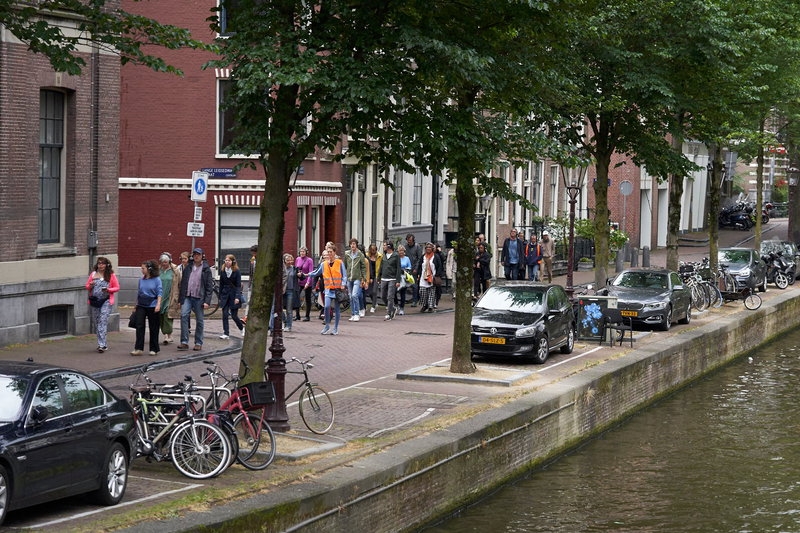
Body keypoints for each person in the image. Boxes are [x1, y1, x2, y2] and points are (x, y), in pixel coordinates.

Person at [178, 247, 214, 351]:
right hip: (187, 296)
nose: (196, 256)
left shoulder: (206, 269)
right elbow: (183, 283)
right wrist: (181, 299)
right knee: (184, 315)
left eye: (198, 254)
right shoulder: (188, 267)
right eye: (194, 254)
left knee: (199, 320)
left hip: (199, 297)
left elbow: (209, 286)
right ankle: (184, 342)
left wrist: (207, 301)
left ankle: (198, 342)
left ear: (202, 256)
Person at [308, 244, 347, 335]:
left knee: (337, 309)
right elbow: (316, 272)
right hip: (328, 289)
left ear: (334, 252)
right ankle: (327, 326)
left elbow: (344, 275)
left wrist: (343, 284)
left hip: (337, 290)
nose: (329, 254)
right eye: (328, 252)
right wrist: (306, 275)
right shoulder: (323, 264)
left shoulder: (339, 263)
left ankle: (335, 328)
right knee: (326, 306)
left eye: (330, 252)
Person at [85, 256, 120, 353]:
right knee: (97, 322)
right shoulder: (93, 274)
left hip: (106, 301)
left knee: (102, 321)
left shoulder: (111, 275)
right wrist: (90, 285)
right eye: (99, 263)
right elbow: (87, 286)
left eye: (102, 263)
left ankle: (102, 345)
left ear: (106, 265)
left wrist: (108, 290)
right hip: (95, 301)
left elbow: (117, 287)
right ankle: (101, 342)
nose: (100, 265)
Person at [132, 260, 162, 356]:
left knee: (153, 327)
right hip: (141, 304)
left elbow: (159, 292)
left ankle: (154, 348)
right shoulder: (141, 280)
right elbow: (139, 292)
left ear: (149, 269)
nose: (142, 270)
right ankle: (138, 348)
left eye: (143, 268)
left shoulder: (157, 279)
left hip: (152, 305)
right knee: (139, 326)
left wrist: (158, 304)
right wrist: (136, 305)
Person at [219, 254, 245, 339]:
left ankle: (241, 328)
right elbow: (221, 284)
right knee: (225, 314)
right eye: (226, 260)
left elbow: (238, 285)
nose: (227, 262)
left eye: (229, 260)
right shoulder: (223, 271)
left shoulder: (236, 271)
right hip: (225, 294)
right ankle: (226, 333)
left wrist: (237, 297)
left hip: (233, 294)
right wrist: (220, 296)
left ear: (233, 262)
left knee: (234, 316)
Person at [158, 252, 182, 345]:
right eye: (162, 262)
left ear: (169, 262)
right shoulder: (158, 270)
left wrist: (179, 298)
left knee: (168, 315)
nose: (164, 264)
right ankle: (165, 335)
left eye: (165, 262)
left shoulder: (175, 271)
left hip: (171, 296)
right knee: (160, 315)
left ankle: (168, 335)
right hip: (160, 296)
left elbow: (180, 284)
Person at [344, 238, 367, 321]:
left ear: (356, 245)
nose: (352, 245)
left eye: (354, 244)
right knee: (350, 297)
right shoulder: (347, 254)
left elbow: (363, 267)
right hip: (349, 278)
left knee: (354, 295)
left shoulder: (360, 255)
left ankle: (357, 313)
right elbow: (345, 266)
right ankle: (353, 314)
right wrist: (344, 276)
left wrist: (364, 279)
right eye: (351, 244)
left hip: (357, 277)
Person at [416, 242, 444, 312]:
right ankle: (425, 305)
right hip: (423, 277)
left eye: (430, 247)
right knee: (422, 292)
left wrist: (437, 275)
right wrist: (418, 274)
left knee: (431, 292)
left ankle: (430, 307)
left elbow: (439, 266)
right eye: (427, 247)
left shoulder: (436, 256)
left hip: (432, 277)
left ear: (432, 249)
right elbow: (420, 266)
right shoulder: (423, 257)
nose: (428, 249)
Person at [378, 241, 402, 320]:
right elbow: (381, 267)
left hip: (392, 278)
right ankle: (392, 308)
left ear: (389, 246)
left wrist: (398, 280)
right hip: (384, 278)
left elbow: (398, 268)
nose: (383, 247)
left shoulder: (396, 255)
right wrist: (379, 277)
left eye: (385, 245)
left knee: (390, 296)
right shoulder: (384, 256)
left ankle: (389, 313)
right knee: (382, 296)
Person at [295, 247, 314, 322]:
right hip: (299, 282)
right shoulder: (297, 259)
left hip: (307, 282)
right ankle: (297, 315)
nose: (302, 253)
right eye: (301, 251)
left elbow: (311, 272)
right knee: (296, 297)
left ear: (306, 252)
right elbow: (296, 269)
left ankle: (307, 316)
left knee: (307, 298)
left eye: (303, 251)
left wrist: (308, 282)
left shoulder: (309, 260)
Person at [405, 234, 422, 306]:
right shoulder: (405, 247)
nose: (409, 242)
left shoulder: (417, 247)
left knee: (414, 285)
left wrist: (416, 268)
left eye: (410, 240)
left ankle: (415, 300)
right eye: (408, 240)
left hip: (414, 268)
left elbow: (419, 258)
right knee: (405, 285)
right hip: (407, 269)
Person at [397, 244, 412, 315]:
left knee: (402, 293)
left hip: (404, 277)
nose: (401, 252)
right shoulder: (396, 258)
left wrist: (405, 270)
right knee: (394, 292)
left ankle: (402, 308)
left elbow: (409, 267)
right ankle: (396, 304)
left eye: (402, 250)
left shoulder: (407, 258)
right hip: (397, 277)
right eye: (399, 251)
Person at [366, 243, 381, 313]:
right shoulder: (367, 256)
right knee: (369, 292)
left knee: (374, 291)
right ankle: (375, 302)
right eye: (371, 250)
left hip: (377, 275)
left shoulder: (379, 256)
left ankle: (373, 306)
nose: (373, 251)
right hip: (369, 275)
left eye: (374, 250)